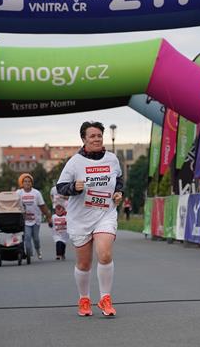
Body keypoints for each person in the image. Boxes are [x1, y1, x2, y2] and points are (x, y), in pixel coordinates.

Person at [57, 121, 123, 317]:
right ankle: (84, 299)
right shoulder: (75, 162)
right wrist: (74, 188)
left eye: (99, 135)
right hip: (80, 218)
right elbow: (61, 187)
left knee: (105, 254)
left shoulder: (112, 159)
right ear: (84, 139)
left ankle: (105, 298)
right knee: (84, 263)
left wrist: (118, 193)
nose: (97, 139)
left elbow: (118, 180)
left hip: (105, 213)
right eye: (92, 136)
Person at [16, 173, 52, 260]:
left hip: (36, 219)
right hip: (25, 220)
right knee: (27, 237)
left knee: (36, 238)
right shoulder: (19, 193)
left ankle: (38, 250)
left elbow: (42, 206)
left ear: (31, 183)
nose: (27, 183)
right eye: (25, 181)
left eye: (29, 181)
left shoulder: (36, 193)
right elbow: (13, 203)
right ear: (22, 183)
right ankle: (29, 253)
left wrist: (48, 217)